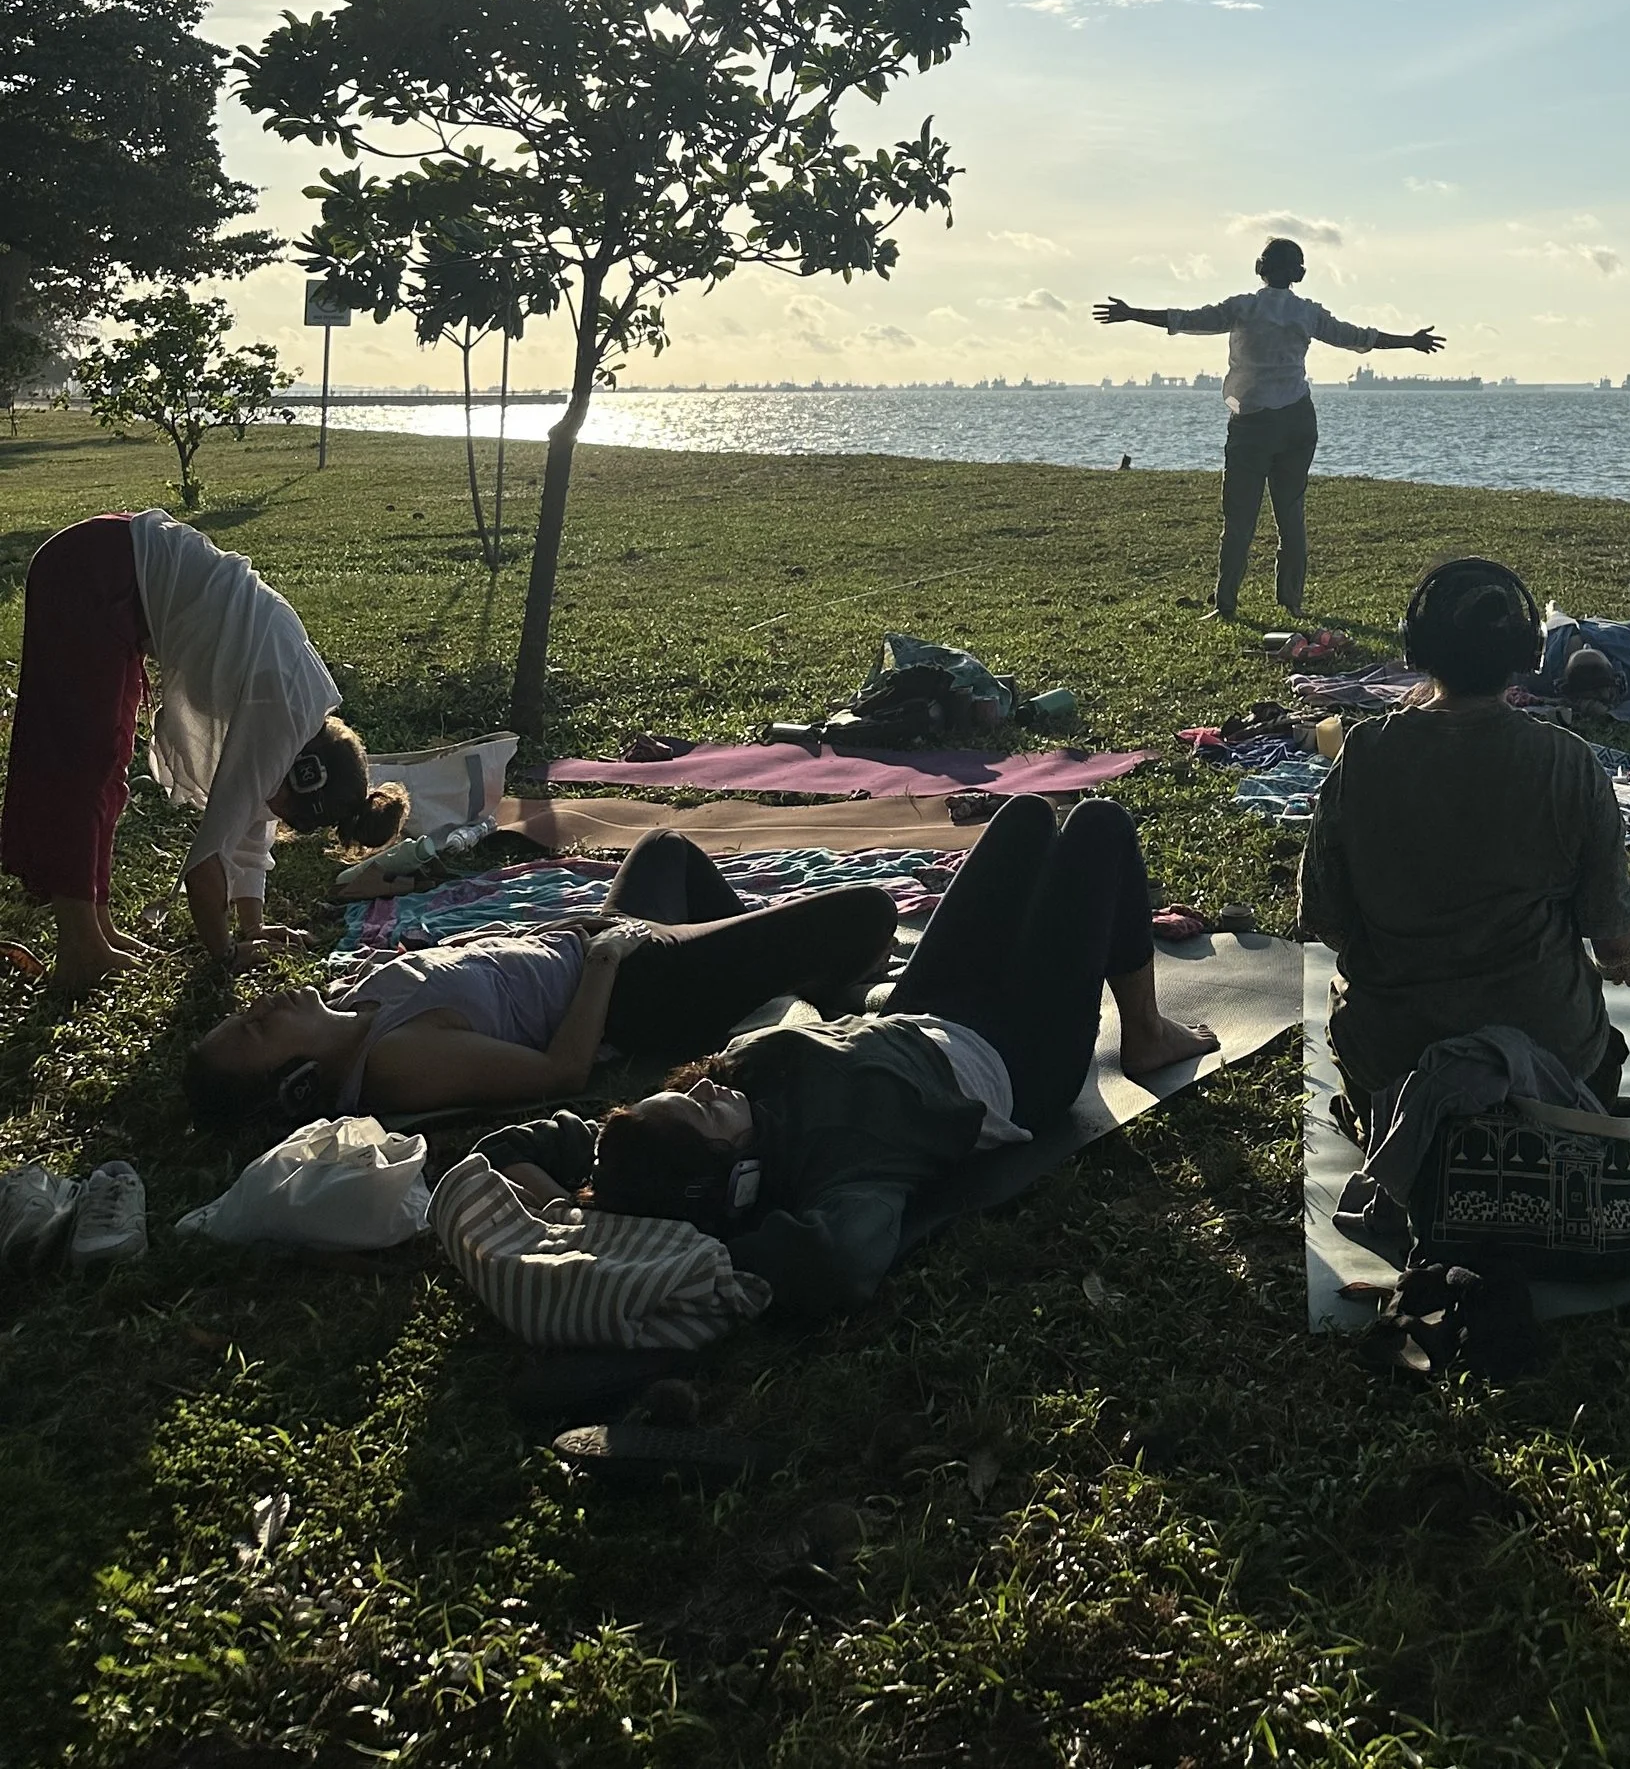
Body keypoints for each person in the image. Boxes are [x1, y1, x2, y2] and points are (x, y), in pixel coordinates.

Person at [491, 796, 1215, 1314]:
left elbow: (512, 1146)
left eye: (691, 1093)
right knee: (1099, 825)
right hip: (1017, 1058)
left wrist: (579, 1211)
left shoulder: (692, 1121)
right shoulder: (846, 1165)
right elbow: (844, 1262)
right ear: (728, 1180)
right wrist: (683, 1248)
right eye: (703, 1114)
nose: (705, 1088)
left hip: (921, 1008)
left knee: (1025, 816)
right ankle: (1146, 1034)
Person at [183, 826, 901, 1138]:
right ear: (298, 1084)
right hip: (637, 988)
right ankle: (786, 977)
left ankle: (772, 979)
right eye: (255, 1029)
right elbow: (563, 1071)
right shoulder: (396, 1063)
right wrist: (604, 956)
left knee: (668, 848)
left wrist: (559, 934)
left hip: (595, 944)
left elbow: (470, 967)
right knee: (869, 912)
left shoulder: (350, 1002)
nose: (260, 1006)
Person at [2, 509, 410, 992]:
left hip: (113, 575)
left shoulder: (300, 712)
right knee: (82, 770)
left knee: (108, 771)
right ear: (304, 775)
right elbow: (205, 864)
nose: (268, 811)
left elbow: (251, 834)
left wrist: (253, 926)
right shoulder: (280, 714)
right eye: (283, 808)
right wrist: (226, 954)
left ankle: (99, 929)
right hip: (94, 571)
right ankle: (79, 948)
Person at [1295, 556, 1630, 1115]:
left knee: (1357, 1039)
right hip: (1547, 1055)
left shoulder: (1362, 753)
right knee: (1602, 1051)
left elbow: (1323, 918)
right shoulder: (1570, 763)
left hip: (1396, 1058)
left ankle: (1388, 1123)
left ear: (1417, 650)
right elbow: (1614, 939)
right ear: (1527, 656)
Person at [1094, 236, 1443, 619]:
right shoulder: (1307, 313)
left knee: (1239, 518)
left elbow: (1186, 319)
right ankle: (1291, 601)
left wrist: (1132, 313)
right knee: (1291, 514)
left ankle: (1225, 604)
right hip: (1298, 418)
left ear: (1261, 268)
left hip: (1252, 423)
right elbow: (1360, 338)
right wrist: (1410, 341)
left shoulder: (1244, 307)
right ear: (1299, 273)